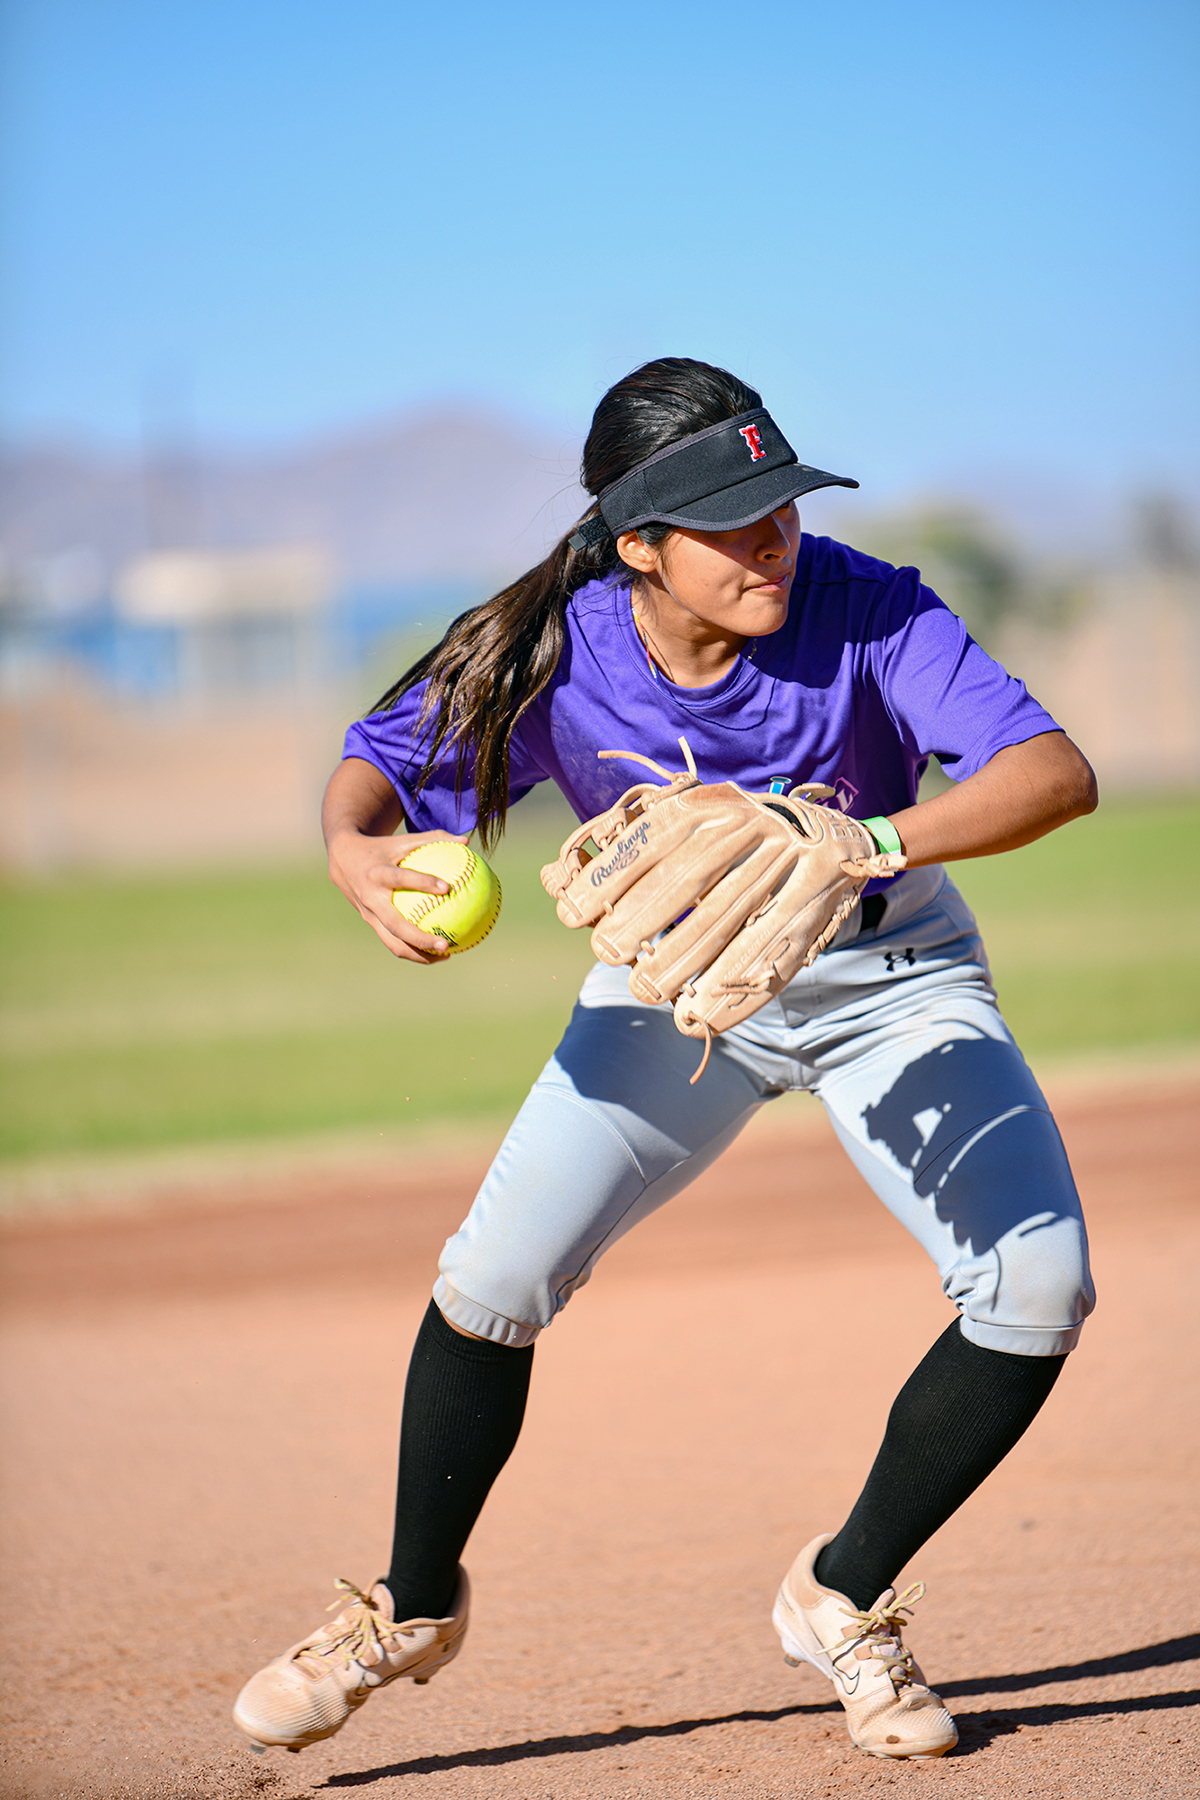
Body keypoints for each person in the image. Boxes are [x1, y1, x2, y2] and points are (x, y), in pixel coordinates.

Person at [233, 358, 1097, 1764]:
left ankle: (843, 1592)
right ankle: (407, 1601)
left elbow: (1053, 772)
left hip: (892, 973)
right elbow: (377, 769)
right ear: (639, 543)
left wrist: (864, 842)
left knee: (1038, 1286)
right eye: (735, 521)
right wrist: (354, 850)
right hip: (671, 986)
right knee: (494, 1279)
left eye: (785, 508)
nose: (777, 541)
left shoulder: (868, 605)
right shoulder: (559, 646)